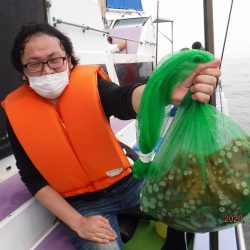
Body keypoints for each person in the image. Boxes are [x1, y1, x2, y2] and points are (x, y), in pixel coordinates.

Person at [2, 23, 221, 250]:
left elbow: (123, 98)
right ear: (23, 71)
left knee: (189, 205)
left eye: (55, 59)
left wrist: (161, 92)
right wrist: (78, 222)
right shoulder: (16, 113)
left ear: (68, 59)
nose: (47, 71)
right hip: (82, 204)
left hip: (129, 185)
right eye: (34, 64)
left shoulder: (92, 85)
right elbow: (32, 177)